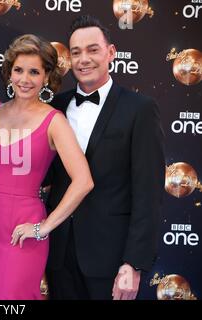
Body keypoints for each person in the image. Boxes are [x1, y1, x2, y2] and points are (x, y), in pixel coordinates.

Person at [45, 15, 165, 300]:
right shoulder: (54, 108)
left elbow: (148, 193)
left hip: (112, 260)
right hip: (59, 255)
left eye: (93, 50)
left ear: (111, 52)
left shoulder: (140, 109)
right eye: (76, 52)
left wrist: (133, 263)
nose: (84, 59)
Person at [0, 34, 94, 300]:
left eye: (34, 72)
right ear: (9, 72)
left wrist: (43, 227)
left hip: (23, 231)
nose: (24, 79)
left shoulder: (54, 121)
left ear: (46, 76)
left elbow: (84, 181)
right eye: (19, 70)